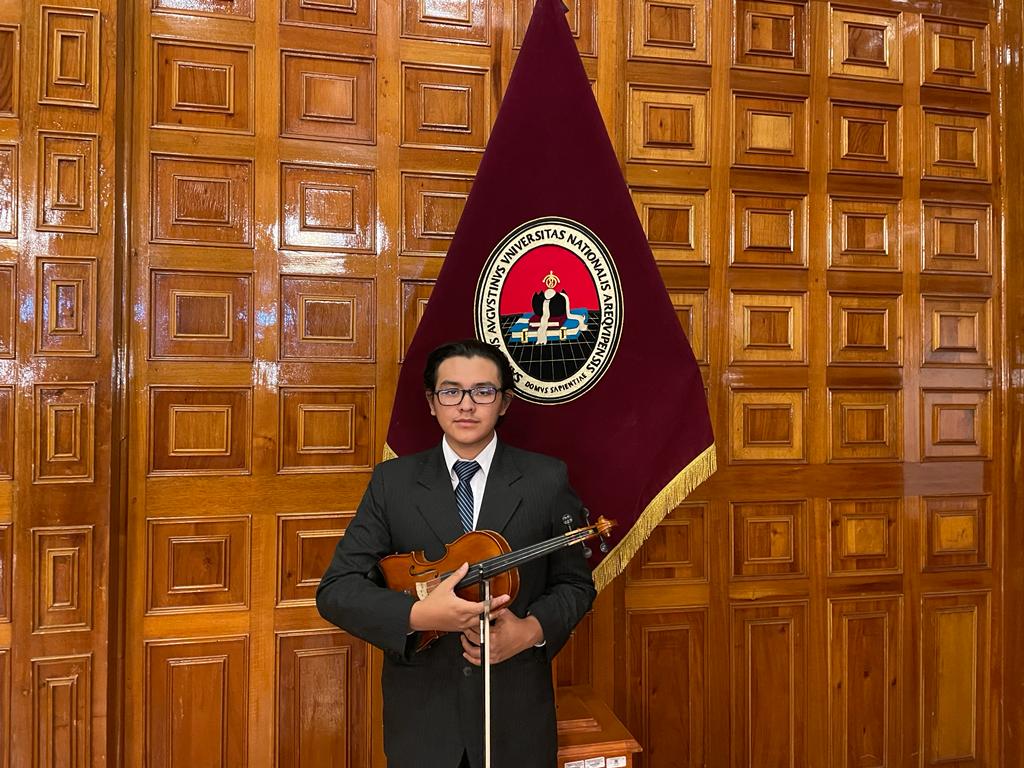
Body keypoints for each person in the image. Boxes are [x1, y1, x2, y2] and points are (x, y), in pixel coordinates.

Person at [316, 339, 596, 768]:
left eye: (483, 391)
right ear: (432, 403)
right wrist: (418, 616)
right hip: (423, 724)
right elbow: (337, 591)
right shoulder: (393, 482)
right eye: (451, 391)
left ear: (504, 402)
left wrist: (529, 631)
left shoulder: (546, 478)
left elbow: (575, 584)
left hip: (515, 721)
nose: (466, 405)